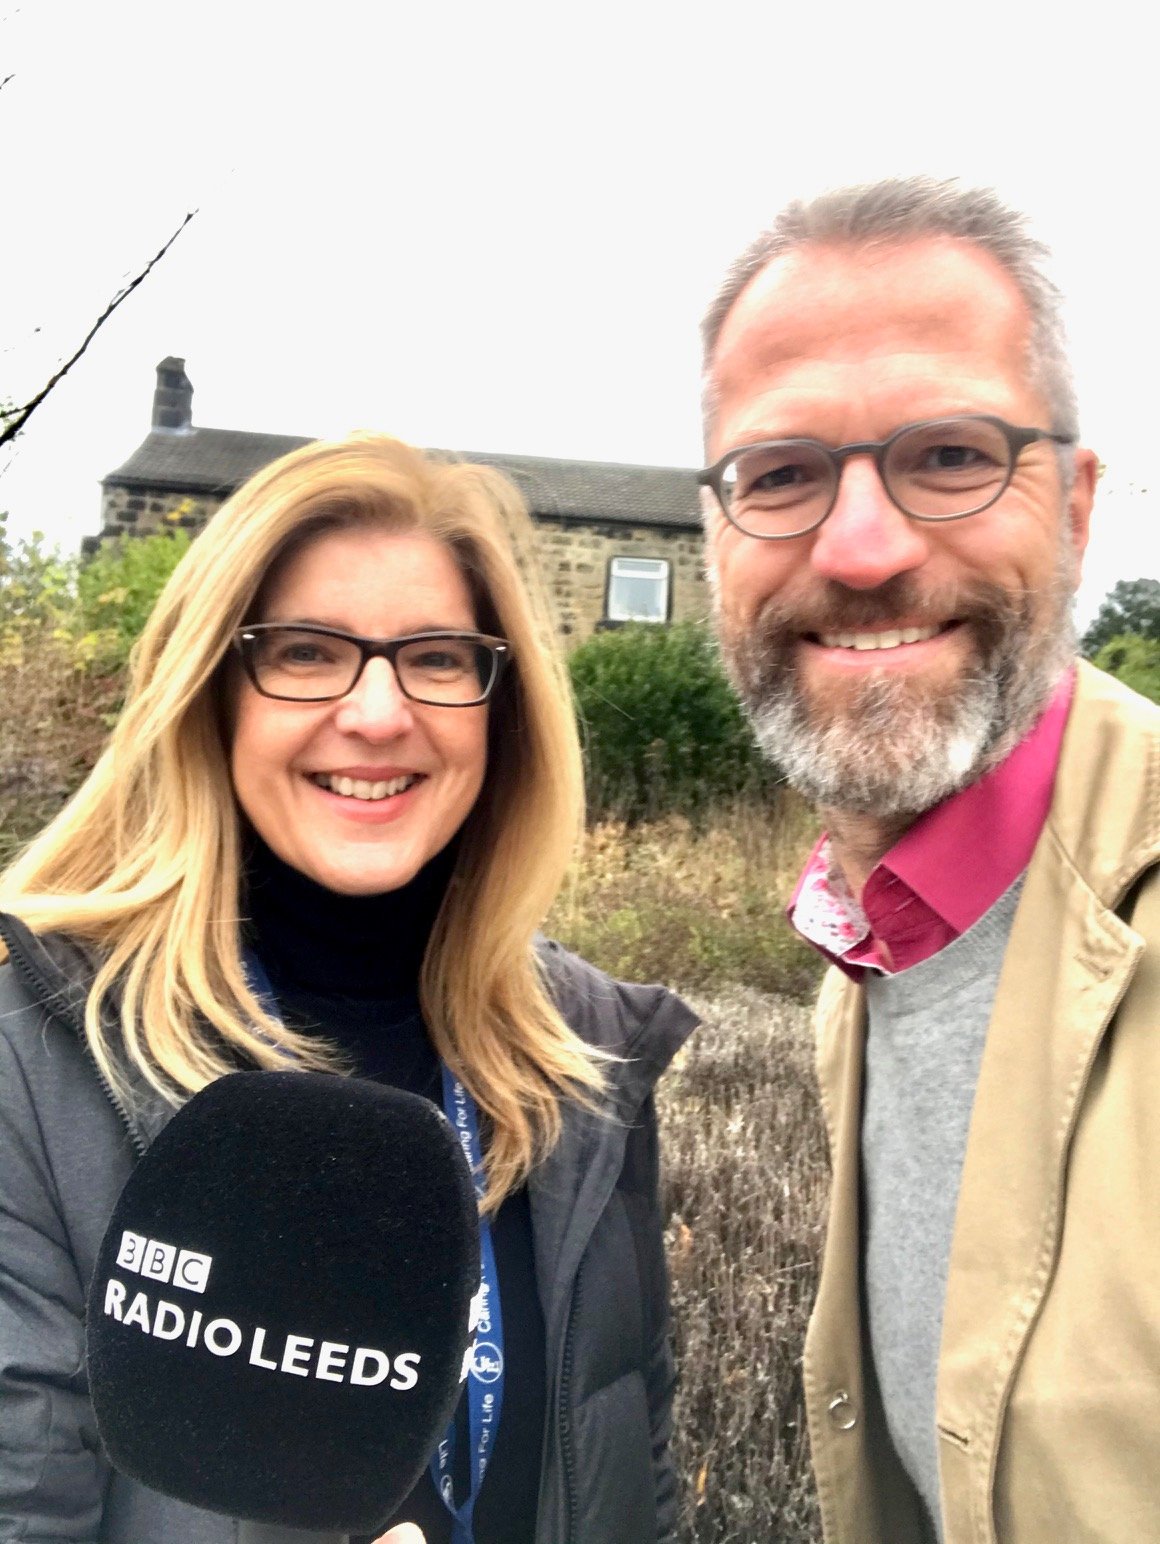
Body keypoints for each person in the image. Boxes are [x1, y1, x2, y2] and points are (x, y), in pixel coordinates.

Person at [0, 434, 696, 1544]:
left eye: (437, 658)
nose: (377, 712)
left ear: (501, 706)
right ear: (211, 692)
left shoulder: (588, 1052)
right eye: (307, 652)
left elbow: (637, 1469)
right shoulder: (33, 1051)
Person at [698, 176, 1160, 1543]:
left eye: (951, 454)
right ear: (715, 533)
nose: (859, 550)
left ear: (1074, 508)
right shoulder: (870, 949)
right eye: (780, 474)